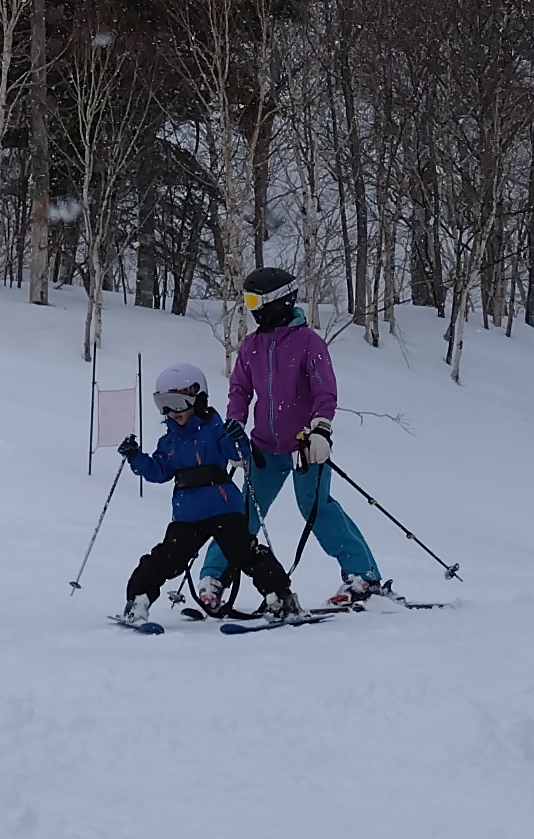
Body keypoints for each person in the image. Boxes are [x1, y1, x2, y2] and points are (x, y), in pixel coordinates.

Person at [196, 266, 388, 612]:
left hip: (304, 447)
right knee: (242, 514)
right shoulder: (252, 345)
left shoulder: (308, 343)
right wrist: (234, 430)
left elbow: (324, 391)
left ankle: (363, 576)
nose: (251, 307)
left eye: (255, 300)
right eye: (247, 300)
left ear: (277, 301)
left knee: (316, 509)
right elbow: (239, 390)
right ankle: (214, 577)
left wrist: (320, 429)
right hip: (264, 449)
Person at [117, 361, 297, 624]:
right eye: (163, 404)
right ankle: (138, 600)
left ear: (198, 398)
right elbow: (159, 471)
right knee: (167, 558)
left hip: (223, 509)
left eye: (177, 403)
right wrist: (135, 457)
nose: (171, 412)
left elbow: (238, 454)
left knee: (245, 554)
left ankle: (281, 599)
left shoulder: (215, 430)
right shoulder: (169, 440)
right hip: (187, 515)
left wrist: (237, 437)